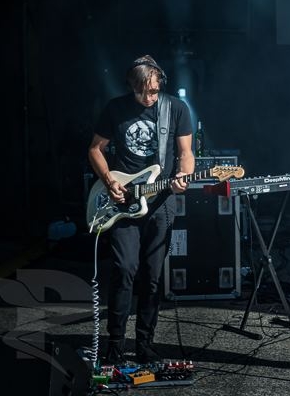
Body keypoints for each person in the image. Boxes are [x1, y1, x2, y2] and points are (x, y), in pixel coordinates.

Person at [88, 55, 194, 364]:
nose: (148, 97)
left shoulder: (175, 108)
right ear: (131, 86)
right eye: (142, 92)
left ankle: (145, 343)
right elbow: (95, 149)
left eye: (154, 91)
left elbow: (186, 153)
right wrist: (109, 180)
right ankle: (115, 343)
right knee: (124, 269)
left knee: (152, 276)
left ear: (161, 83)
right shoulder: (115, 109)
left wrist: (183, 175)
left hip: (159, 202)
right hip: (123, 201)